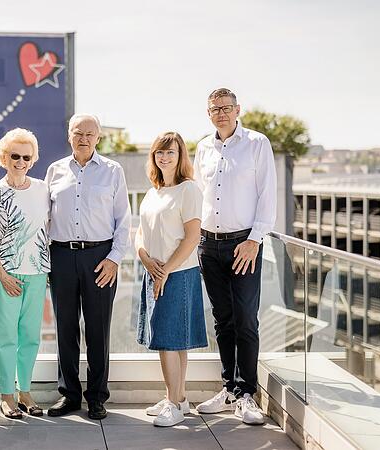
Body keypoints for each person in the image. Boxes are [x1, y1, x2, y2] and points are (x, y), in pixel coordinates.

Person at [194, 88, 276, 425]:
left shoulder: (257, 143)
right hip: (208, 245)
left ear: (238, 109)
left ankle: (246, 393)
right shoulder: (203, 147)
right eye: (215, 109)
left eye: (227, 108)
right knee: (223, 319)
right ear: (208, 113)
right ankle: (229, 388)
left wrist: (255, 240)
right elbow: (197, 194)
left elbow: (268, 195)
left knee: (245, 319)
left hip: (244, 245)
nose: (222, 113)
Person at [45, 114, 131, 420]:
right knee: (65, 328)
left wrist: (114, 258)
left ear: (98, 137)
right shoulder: (54, 170)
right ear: (69, 135)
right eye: (78, 133)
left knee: (98, 329)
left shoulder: (113, 170)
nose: (83, 138)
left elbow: (123, 220)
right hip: (61, 257)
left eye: (89, 134)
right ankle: (69, 395)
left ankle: (96, 397)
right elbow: (45, 219)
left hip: (100, 258)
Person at [135, 132, 207, 427]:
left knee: (168, 339)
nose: (164, 157)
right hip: (155, 271)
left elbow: (192, 237)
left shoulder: (189, 189)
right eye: (160, 152)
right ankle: (178, 398)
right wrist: (145, 258)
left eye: (171, 152)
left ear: (180, 157)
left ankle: (174, 404)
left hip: (177, 274)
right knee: (174, 340)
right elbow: (140, 233)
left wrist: (165, 271)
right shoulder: (153, 192)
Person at [0, 128, 50, 420]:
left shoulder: (43, 189)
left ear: (33, 160)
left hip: (37, 272)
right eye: (14, 156)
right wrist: (2, 275)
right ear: (3, 158)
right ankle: (7, 395)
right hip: (6, 275)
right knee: (7, 337)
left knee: (31, 337)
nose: (20, 162)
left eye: (26, 157)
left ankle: (25, 392)